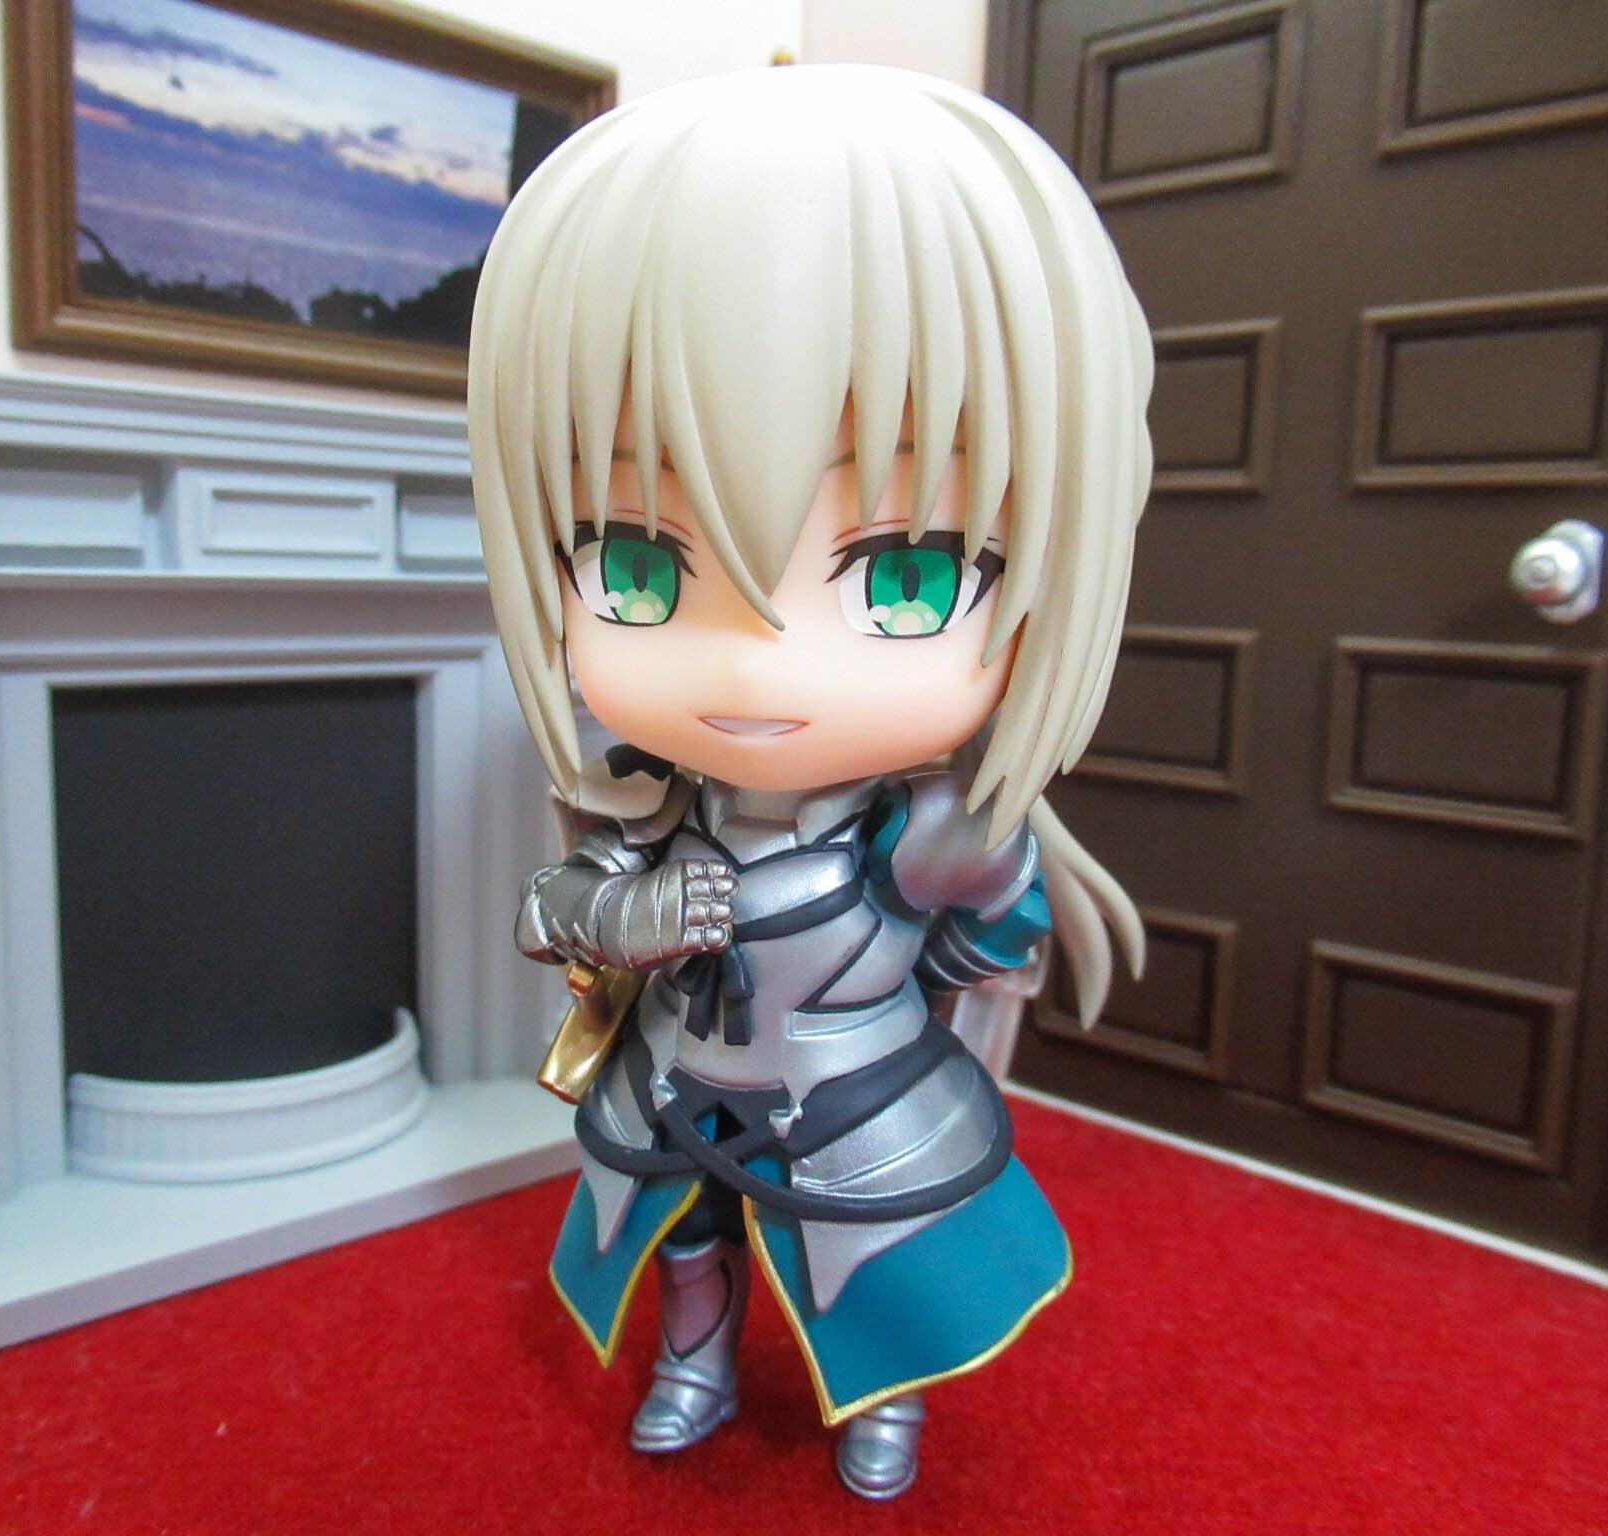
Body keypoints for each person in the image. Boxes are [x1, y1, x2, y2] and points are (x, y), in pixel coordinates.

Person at [467, 62, 1152, 1500]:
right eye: (636, 563)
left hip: (862, 1102)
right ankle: (695, 1368)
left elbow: (989, 952)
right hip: (676, 1086)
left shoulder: (925, 832)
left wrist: (962, 925)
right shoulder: (653, 801)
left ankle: (885, 1404)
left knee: (887, 1261)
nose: (756, 664)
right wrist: (621, 917)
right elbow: (554, 907)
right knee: (685, 1237)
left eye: (905, 576)